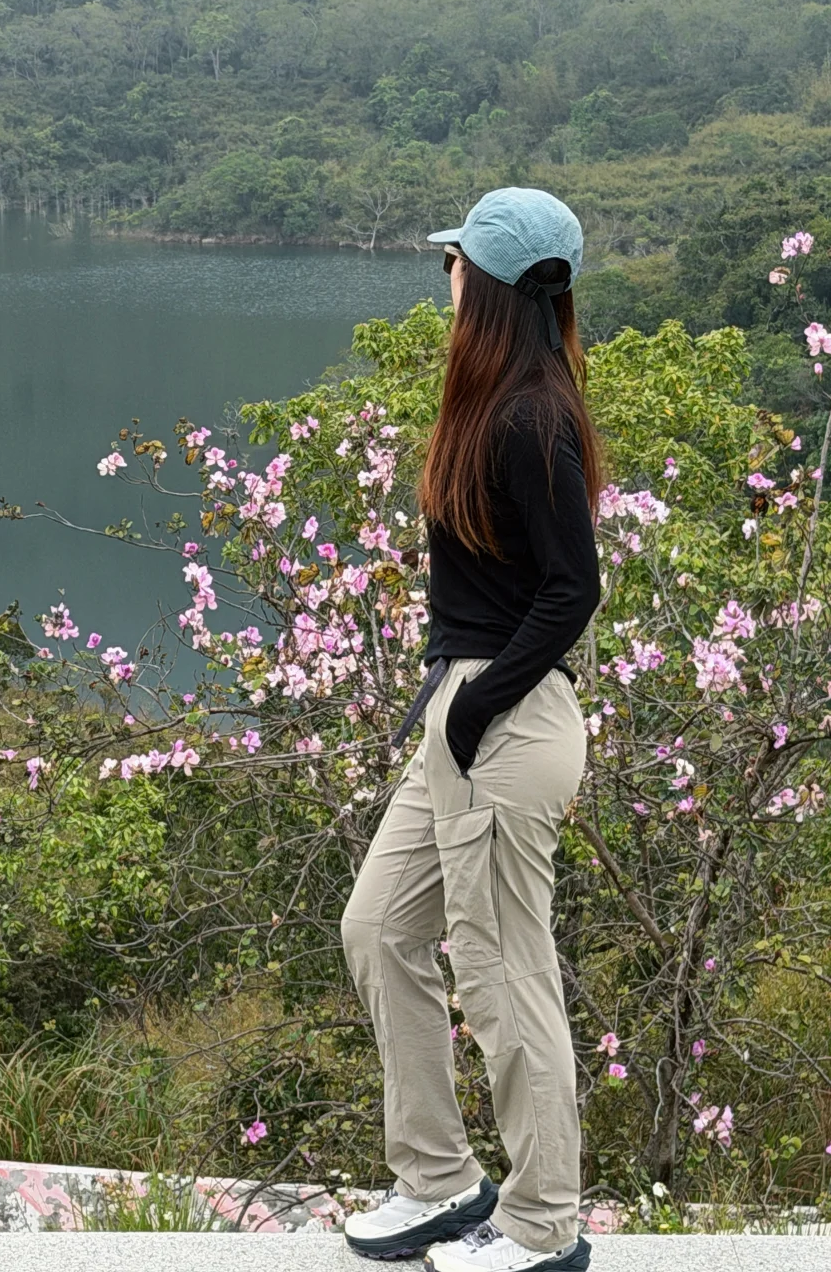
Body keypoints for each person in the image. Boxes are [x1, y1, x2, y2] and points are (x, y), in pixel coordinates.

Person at [340, 187, 604, 1272]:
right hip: (469, 710)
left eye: (453, 262)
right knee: (380, 929)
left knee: (504, 974)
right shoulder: (500, 394)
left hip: (502, 716)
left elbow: (571, 589)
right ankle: (440, 1182)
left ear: (483, 282)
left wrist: (477, 710)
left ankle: (544, 1225)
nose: (443, 276)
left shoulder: (529, 413)